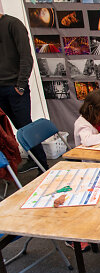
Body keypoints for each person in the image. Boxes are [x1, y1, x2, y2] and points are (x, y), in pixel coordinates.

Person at [0, 13, 49, 173]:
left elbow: (26, 57)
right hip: (1, 87)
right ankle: (29, 160)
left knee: (26, 127)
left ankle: (42, 164)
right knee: (12, 128)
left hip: (14, 87)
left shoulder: (13, 24)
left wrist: (20, 85)